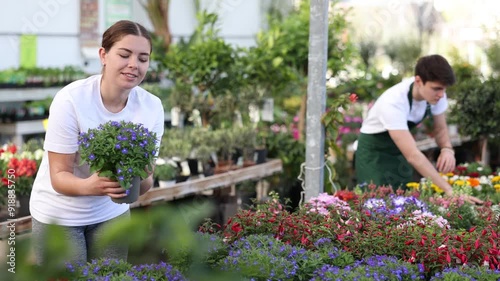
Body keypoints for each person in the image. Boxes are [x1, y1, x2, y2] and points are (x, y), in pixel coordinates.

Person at [29, 20, 165, 264]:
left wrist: (140, 180)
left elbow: (145, 181)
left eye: (143, 59)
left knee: (110, 276)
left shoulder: (151, 107)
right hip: (59, 216)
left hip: (112, 213)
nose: (134, 65)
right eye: (125, 55)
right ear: (103, 55)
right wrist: (93, 186)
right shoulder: (71, 99)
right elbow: (59, 175)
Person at [354, 54, 482, 204]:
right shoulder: (394, 102)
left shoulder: (436, 95)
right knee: (376, 206)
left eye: (444, 89)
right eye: (436, 89)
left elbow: (440, 129)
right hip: (375, 155)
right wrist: (449, 190)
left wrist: (447, 149)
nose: (441, 94)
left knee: (404, 204)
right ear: (418, 81)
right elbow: (413, 155)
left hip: (399, 153)